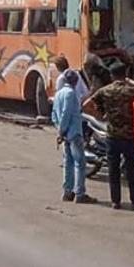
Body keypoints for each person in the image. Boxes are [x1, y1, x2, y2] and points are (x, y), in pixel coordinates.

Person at [83, 62, 134, 210]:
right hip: (130, 136)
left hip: (112, 136)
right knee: (132, 170)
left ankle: (115, 201)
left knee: (113, 169)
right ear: (126, 74)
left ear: (111, 76)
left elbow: (86, 105)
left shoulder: (105, 91)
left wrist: (100, 115)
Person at [51, 70, 97, 204]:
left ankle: (67, 191)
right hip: (73, 132)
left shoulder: (58, 94)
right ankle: (80, 193)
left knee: (68, 163)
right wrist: (62, 131)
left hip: (65, 133)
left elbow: (54, 114)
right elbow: (67, 113)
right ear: (76, 82)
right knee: (80, 163)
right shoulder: (71, 94)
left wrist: (59, 130)